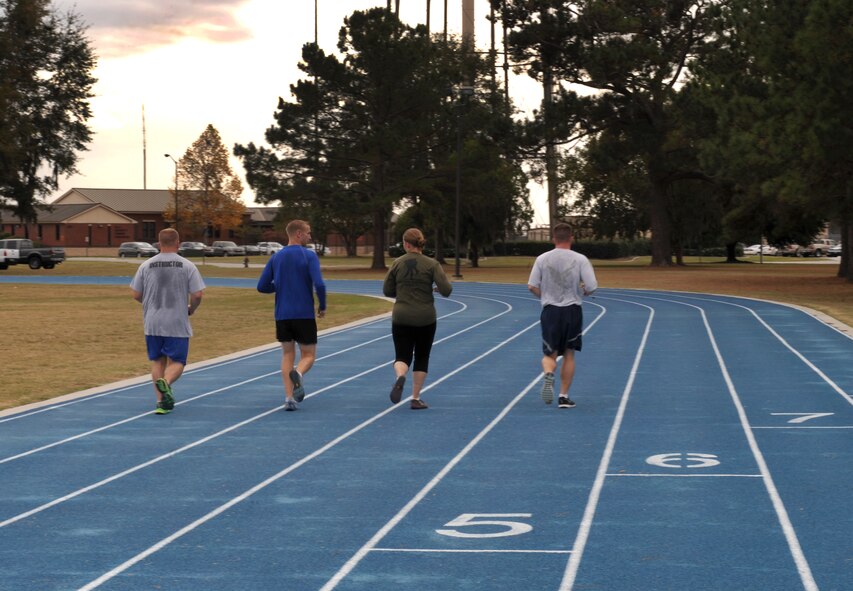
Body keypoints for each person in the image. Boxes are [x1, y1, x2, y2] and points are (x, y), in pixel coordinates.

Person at [131, 228, 205, 415]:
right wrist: (192, 308)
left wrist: (148, 303)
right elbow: (197, 294)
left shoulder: (146, 265)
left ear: (159, 243)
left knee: (157, 361)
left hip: (152, 321)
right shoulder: (187, 265)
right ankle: (167, 382)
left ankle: (160, 401)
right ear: (178, 243)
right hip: (176, 320)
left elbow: (136, 294)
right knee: (178, 361)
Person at [257, 220, 327, 411]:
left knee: (287, 353)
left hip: (282, 314)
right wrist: (322, 305)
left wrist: (279, 286)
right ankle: (299, 373)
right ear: (298, 234)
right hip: (303, 314)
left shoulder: (276, 257)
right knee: (309, 355)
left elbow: (262, 286)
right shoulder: (309, 256)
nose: (310, 237)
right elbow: (319, 284)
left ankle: (289, 397)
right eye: (308, 233)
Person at [527, 222, 598, 408]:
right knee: (569, 354)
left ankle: (549, 373)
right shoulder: (580, 259)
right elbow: (591, 286)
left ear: (553, 239)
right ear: (571, 238)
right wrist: (585, 291)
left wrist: (545, 297)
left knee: (549, 353)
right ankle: (563, 396)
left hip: (550, 310)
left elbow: (532, 285)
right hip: (572, 310)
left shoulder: (542, 259)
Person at [383, 227, 453, 409]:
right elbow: (446, 291)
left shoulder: (397, 263)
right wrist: (432, 288)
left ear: (406, 244)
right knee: (422, 356)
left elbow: (387, 291)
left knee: (402, 355)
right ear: (421, 243)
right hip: (425, 318)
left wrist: (403, 289)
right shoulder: (432, 264)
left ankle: (400, 376)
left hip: (401, 316)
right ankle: (415, 398)